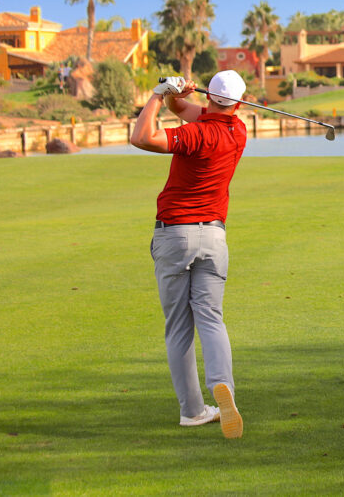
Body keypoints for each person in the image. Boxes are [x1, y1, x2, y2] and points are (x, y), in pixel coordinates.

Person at [130, 69, 249, 439]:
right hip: (214, 238)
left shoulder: (196, 135)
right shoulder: (237, 131)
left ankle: (193, 411)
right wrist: (176, 94)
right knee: (211, 318)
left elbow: (141, 136)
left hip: (175, 235)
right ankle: (222, 384)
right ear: (239, 103)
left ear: (210, 97)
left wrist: (156, 95)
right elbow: (187, 109)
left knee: (180, 326)